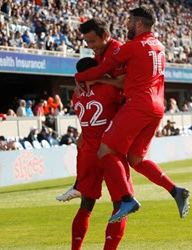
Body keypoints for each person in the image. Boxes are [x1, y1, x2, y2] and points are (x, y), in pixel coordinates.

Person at [75, 7, 190, 222]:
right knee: (136, 159)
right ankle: (176, 191)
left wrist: (78, 76)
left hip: (137, 105)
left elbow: (102, 69)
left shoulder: (133, 46)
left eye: (128, 21)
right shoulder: (159, 46)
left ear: (138, 23)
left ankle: (127, 199)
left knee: (105, 150)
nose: (126, 26)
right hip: (157, 108)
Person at [67, 57, 134, 250]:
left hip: (88, 153)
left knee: (85, 206)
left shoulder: (76, 95)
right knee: (121, 205)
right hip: (109, 151)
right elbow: (126, 96)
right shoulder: (109, 89)